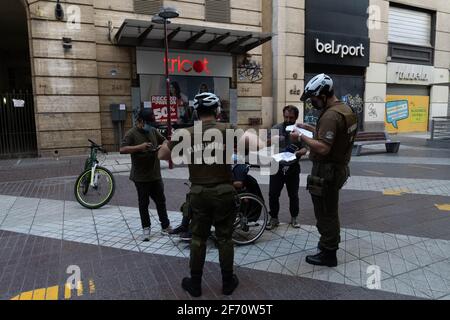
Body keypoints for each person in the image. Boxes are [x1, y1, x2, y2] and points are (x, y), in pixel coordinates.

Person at [158, 92, 250, 297]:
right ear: (217, 111)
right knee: (225, 238)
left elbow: (163, 155)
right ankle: (227, 282)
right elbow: (253, 145)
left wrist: (168, 143)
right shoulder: (227, 128)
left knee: (198, 238)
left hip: (199, 193)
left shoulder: (186, 133)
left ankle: (196, 284)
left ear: (196, 112)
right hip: (224, 192)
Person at [290, 73, 357, 267]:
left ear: (324, 94)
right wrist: (308, 127)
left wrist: (301, 137)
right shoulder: (345, 110)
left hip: (327, 171)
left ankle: (329, 253)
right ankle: (328, 244)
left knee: (325, 212)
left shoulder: (330, 115)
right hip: (339, 167)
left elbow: (323, 147)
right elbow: (333, 136)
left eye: (314, 98)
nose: (312, 102)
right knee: (330, 209)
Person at [120, 108, 173, 241]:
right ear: (140, 121)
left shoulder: (153, 131)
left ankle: (165, 226)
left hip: (155, 175)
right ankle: (146, 228)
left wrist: (163, 146)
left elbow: (165, 140)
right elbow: (122, 149)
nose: (150, 125)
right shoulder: (131, 133)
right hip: (140, 177)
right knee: (143, 203)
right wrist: (140, 147)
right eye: (148, 122)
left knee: (161, 201)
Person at [266, 105, 307, 230]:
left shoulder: (300, 130)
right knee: (273, 194)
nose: (288, 120)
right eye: (286, 117)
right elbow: (264, 143)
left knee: (293, 195)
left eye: (291, 117)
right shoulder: (276, 128)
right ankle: (274, 219)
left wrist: (300, 152)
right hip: (276, 166)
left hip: (293, 167)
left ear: (296, 117)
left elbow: (305, 148)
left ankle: (294, 218)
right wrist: (271, 140)